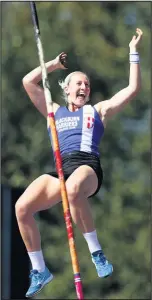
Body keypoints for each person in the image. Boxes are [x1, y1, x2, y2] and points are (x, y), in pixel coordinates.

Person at [15, 28, 142, 298]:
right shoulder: (53, 111)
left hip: (87, 168)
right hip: (61, 170)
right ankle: (39, 269)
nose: (84, 88)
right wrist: (53, 65)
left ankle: (96, 252)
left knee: (73, 189)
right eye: (79, 84)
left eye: (87, 85)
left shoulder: (97, 110)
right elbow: (28, 82)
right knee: (22, 207)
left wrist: (133, 51)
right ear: (67, 88)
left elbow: (132, 90)